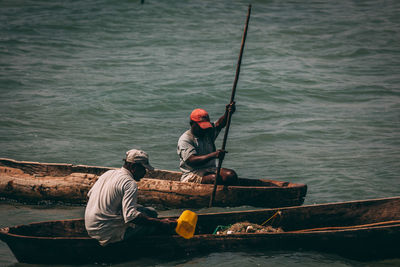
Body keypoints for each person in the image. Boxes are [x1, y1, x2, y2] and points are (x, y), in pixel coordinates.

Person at [85, 149, 177, 246]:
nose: (144, 173)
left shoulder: (108, 174)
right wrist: (160, 223)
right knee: (152, 218)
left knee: (148, 211)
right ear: (133, 167)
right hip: (107, 234)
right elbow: (131, 217)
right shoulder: (129, 183)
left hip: (90, 229)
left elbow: (89, 197)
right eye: (143, 169)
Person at [177, 103, 238, 185]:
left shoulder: (207, 131)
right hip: (192, 174)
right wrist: (213, 155)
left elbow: (220, 124)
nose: (204, 130)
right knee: (214, 179)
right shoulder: (185, 139)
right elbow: (191, 160)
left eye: (205, 126)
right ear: (192, 124)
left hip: (210, 169)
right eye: (201, 127)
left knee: (231, 175)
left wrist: (228, 113)